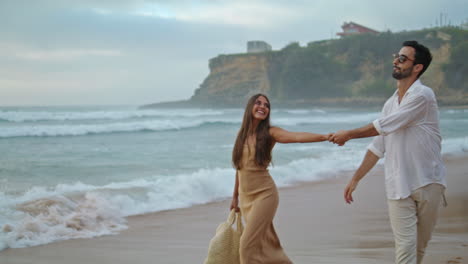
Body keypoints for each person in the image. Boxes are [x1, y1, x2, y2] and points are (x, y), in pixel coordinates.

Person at [329, 41, 447, 264]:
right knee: (405, 250)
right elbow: (377, 147)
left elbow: (384, 125)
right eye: (396, 56)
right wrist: (355, 178)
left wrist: (349, 134)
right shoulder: (390, 103)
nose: (395, 61)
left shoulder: (423, 95)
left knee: (419, 249)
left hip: (427, 183)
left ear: (417, 67)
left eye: (403, 58)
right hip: (398, 185)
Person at [230, 93, 329, 264]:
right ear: (250, 107)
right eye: (258, 103)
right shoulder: (241, 135)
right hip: (246, 198)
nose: (262, 107)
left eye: (266, 105)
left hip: (265, 195)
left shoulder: (270, 133)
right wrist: (235, 197)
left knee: (246, 246)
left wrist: (325, 137)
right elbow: (240, 168)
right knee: (266, 245)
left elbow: (296, 137)